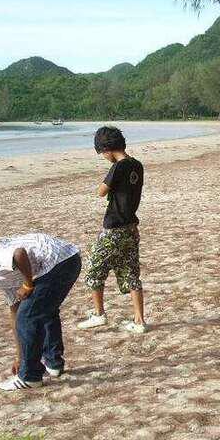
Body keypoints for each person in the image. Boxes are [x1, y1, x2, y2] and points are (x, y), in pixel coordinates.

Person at [0, 233, 81, 391]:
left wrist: (28, 284)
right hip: (69, 258)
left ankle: (29, 377)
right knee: (42, 311)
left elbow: (19, 253)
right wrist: (19, 357)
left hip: (59, 260)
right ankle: (53, 364)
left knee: (28, 316)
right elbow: (15, 315)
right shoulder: (5, 282)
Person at [77, 126, 147, 333]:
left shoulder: (118, 167)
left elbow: (101, 191)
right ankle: (139, 321)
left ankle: (99, 314)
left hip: (114, 228)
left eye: (102, 153)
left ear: (106, 149)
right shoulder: (137, 165)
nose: (104, 157)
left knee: (94, 269)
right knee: (131, 272)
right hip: (131, 227)